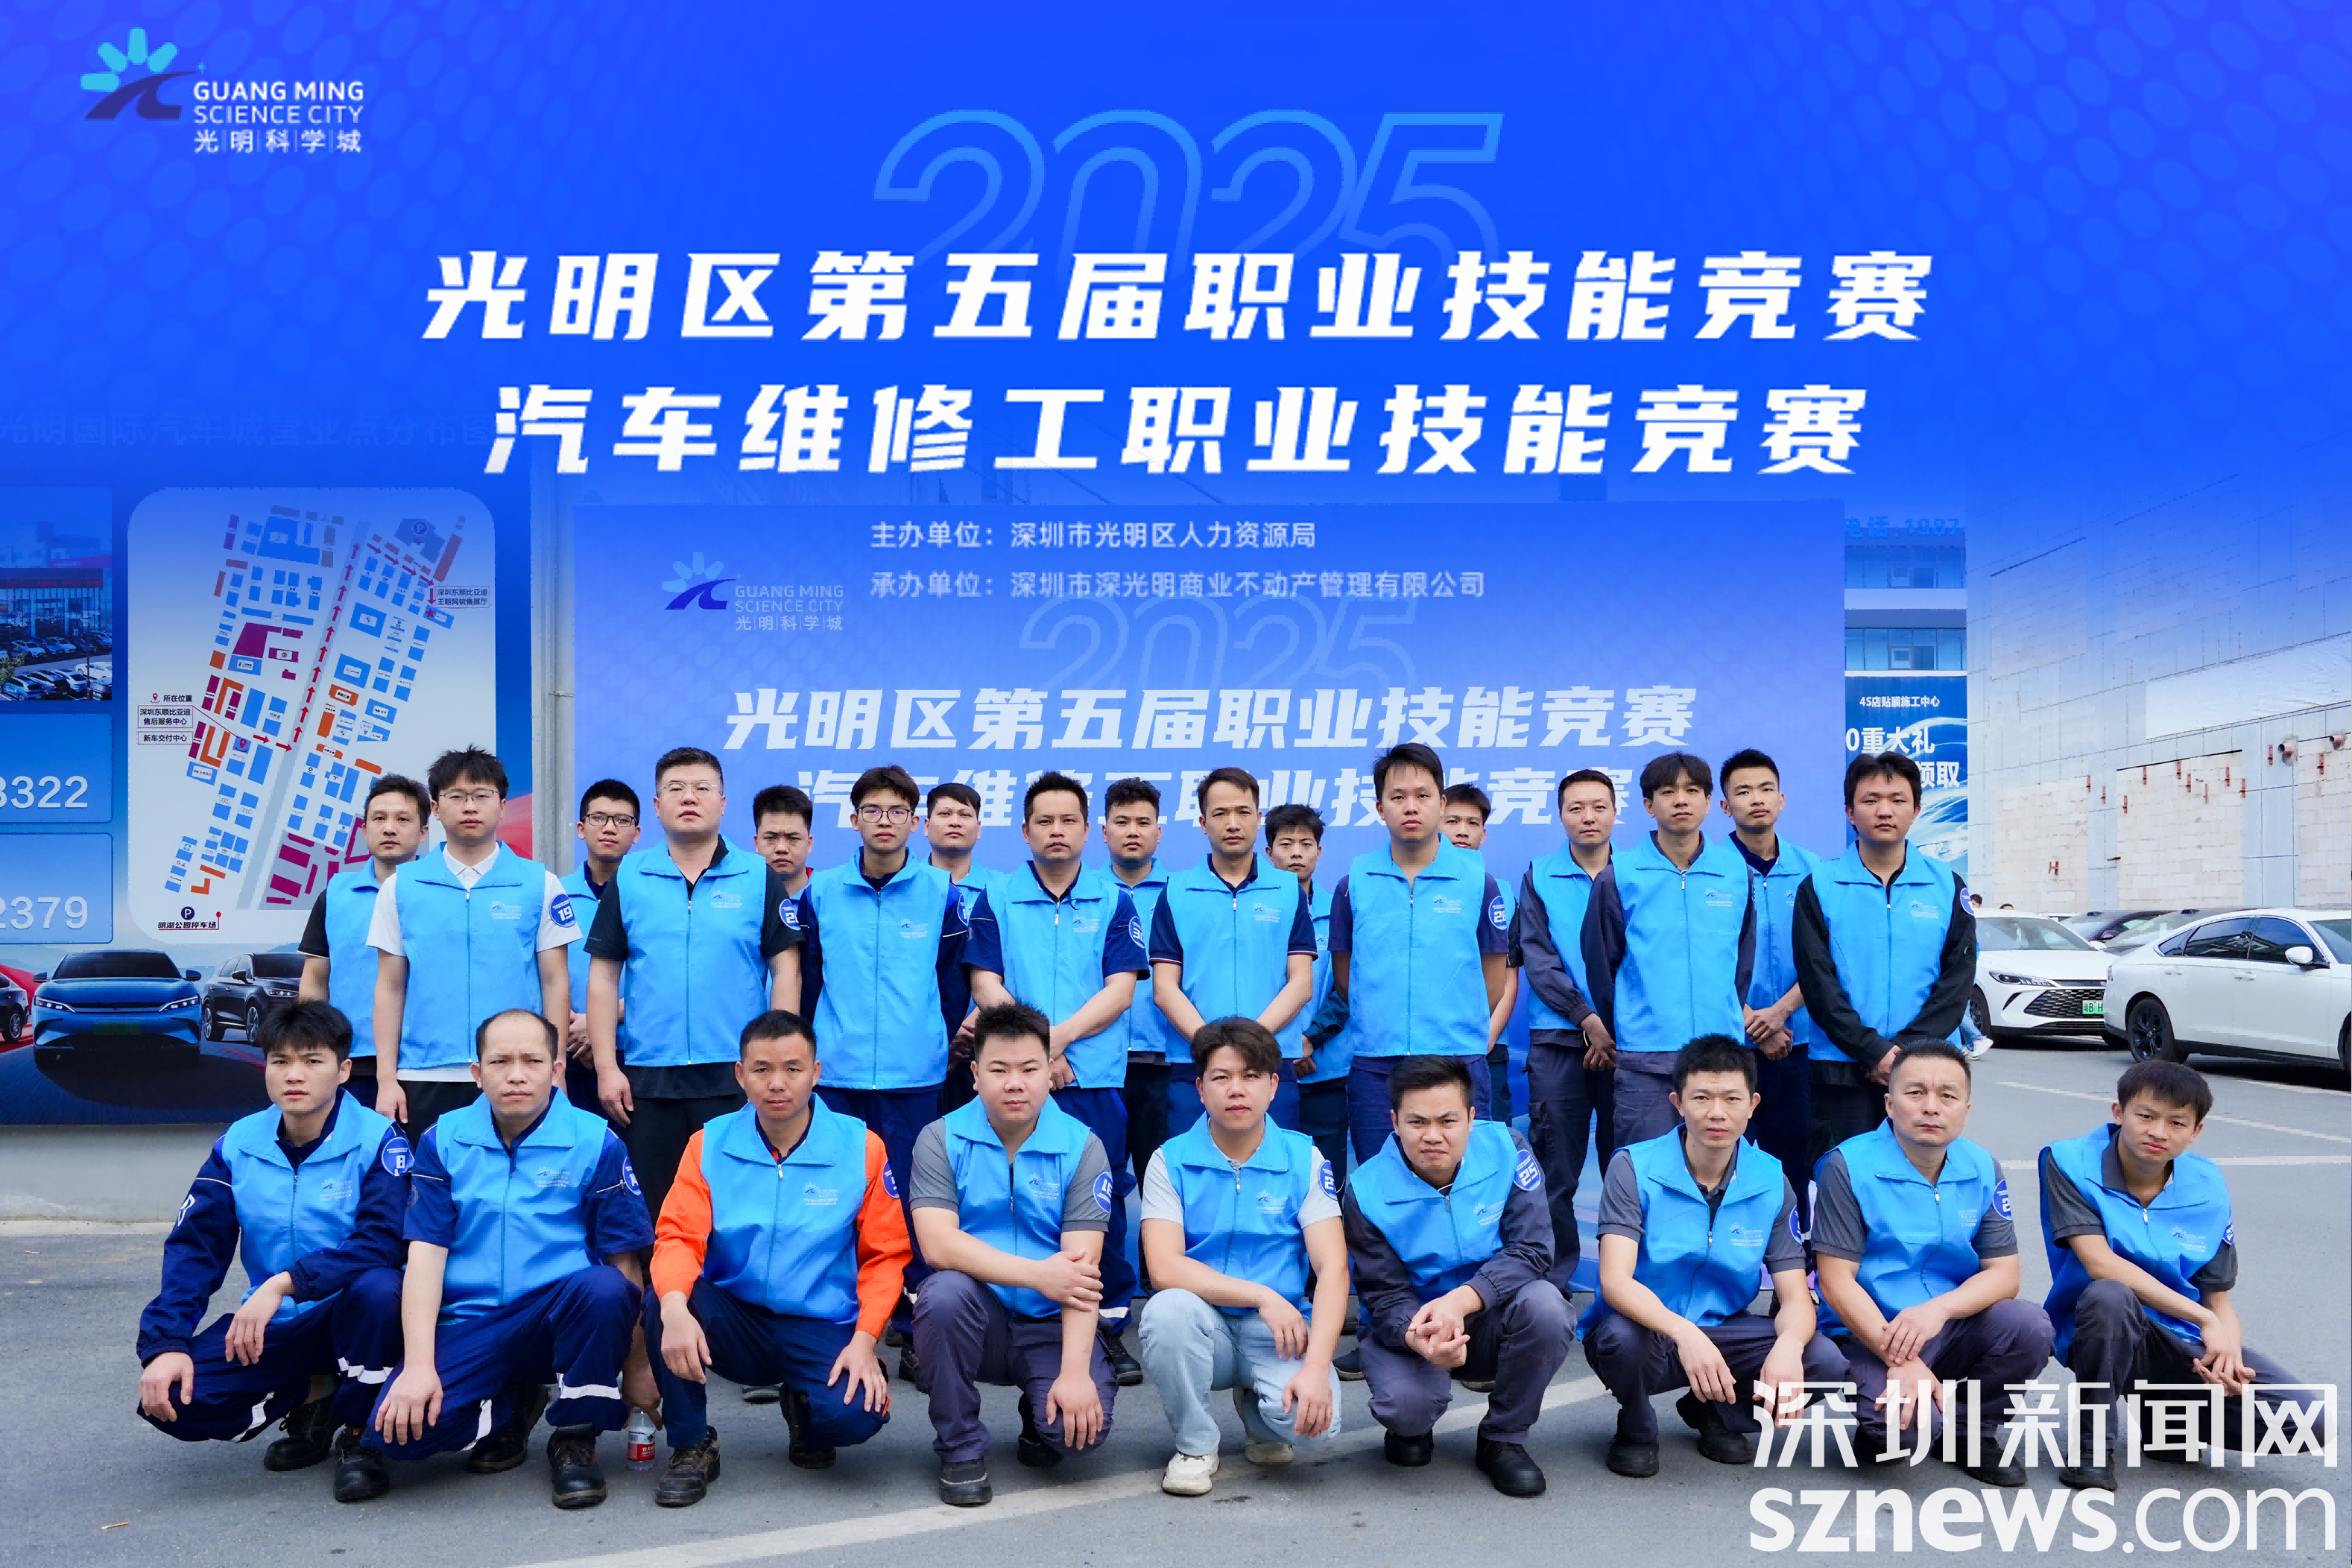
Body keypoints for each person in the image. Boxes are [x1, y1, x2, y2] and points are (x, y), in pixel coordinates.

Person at [358, 1009, 657, 1508]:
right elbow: (425, 1259)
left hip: (555, 1319)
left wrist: (639, 1367)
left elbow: (625, 1264)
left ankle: (575, 1438)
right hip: (468, 1321)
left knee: (605, 1289)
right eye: (500, 1062)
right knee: (399, 1437)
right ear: (477, 1073)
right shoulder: (442, 1140)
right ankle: (508, 1407)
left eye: (531, 1061)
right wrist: (419, 1367)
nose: (516, 1075)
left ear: (556, 1069)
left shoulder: (595, 1140)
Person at [135, 1002, 407, 1490]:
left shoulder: (378, 1140)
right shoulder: (239, 1144)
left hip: (358, 1317)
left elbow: (383, 1242)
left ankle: (362, 1434)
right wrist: (167, 1342)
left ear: (344, 1070)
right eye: (280, 1061)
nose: (294, 1075)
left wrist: (285, 1283)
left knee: (380, 1289)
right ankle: (316, 1394)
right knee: (171, 1400)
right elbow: (195, 1249)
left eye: (312, 1060)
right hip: (276, 1325)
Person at [643, 1010, 910, 1505]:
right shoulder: (709, 1144)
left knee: (854, 1418)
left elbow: (886, 1256)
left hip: (821, 1323)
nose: (777, 1083)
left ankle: (806, 1404)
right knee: (664, 1298)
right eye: (762, 1069)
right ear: (740, 1075)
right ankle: (691, 1443)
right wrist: (675, 1309)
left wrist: (866, 1339)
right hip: (736, 1320)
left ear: (816, 1072)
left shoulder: (861, 1148)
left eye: (793, 1068)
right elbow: (677, 1237)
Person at [2039, 1061, 2317, 1490]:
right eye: (2146, 1116)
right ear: (2118, 1112)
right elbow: (2099, 1263)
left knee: (2307, 1421)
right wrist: (2205, 1320)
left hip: (2179, 1338)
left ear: (2196, 1131)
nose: (2159, 1132)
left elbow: (2217, 1299)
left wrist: (2228, 1359)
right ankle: (2091, 1450)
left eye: (2176, 1122)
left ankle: (2168, 1419)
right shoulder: (2069, 1162)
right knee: (2110, 1295)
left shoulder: (2207, 1184)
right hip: (2098, 1326)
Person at [1581, 1035, 1842, 1477]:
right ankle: (1636, 1424)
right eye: (1701, 1098)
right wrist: (1683, 1332)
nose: (1717, 1112)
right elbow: (1615, 1281)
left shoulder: (1770, 1179)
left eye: (1731, 1099)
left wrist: (1788, 1346)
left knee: (1823, 1361)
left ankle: (1719, 1412)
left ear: (1753, 1105)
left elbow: (1796, 1296)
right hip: (1647, 1328)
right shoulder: (1634, 1168)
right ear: (1678, 1103)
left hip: (1724, 1329)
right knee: (1620, 1340)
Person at [965, 771, 1150, 1382]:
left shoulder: (1113, 900)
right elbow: (985, 984)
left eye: (1068, 820)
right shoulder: (997, 897)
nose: (1056, 831)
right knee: (1012, 1195)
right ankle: (1010, 1320)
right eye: (1044, 821)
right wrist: (1037, 1057)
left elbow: (1120, 990)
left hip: (1090, 1078)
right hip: (1014, 1079)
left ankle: (1105, 1325)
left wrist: (1055, 1043)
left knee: (1099, 1200)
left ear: (1087, 830)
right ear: (1025, 830)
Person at [1812, 1042, 2053, 1485]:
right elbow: (1834, 1281)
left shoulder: (1982, 1167)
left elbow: (2005, 1275)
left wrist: (1937, 1310)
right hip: (1869, 1330)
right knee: (1905, 1435)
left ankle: (1970, 1431)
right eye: (1915, 1092)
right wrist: (1900, 1356)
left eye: (1947, 1095)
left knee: (2029, 1325)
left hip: (1945, 1324)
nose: (1931, 1107)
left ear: (1966, 1109)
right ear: (1889, 1104)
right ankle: (1886, 1420)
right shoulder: (1847, 1166)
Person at [908, 1002, 1119, 1507]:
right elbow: (937, 1245)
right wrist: (1036, 1275)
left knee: (1078, 1436)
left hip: (1051, 1322)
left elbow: (1081, 1274)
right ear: (976, 1075)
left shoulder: (1083, 1147)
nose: (1015, 1084)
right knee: (941, 1295)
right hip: (977, 1319)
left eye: (1029, 1069)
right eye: (999, 1070)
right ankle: (960, 1447)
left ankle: (1039, 1409)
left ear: (1050, 1072)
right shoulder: (940, 1139)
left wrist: (1074, 1374)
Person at [798, 765, 970, 1376]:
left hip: (914, 1078)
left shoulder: (942, 892)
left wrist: (935, 1041)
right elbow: (807, 982)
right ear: (854, 819)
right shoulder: (821, 893)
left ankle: (915, 1331)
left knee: (915, 1207)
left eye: (898, 811)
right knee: (836, 1203)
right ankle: (835, 1330)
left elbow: (952, 984)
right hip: (837, 1077)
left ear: (915, 822)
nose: (885, 821)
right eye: (872, 810)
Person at [585, 747, 801, 1222]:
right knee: (655, 1216)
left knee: (734, 1213)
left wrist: (776, 1064)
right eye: (676, 789)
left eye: (702, 788)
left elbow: (786, 969)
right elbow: (603, 975)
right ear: (657, 805)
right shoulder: (631, 876)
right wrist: (606, 1068)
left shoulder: (757, 876)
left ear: (722, 803)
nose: (689, 798)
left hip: (736, 1076)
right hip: (647, 1079)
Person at [1137, 1017, 1346, 1496]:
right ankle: (1195, 1446)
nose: (1236, 1090)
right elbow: (1164, 1268)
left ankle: (1260, 1412)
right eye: (1221, 1077)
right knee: (1167, 1311)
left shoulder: (1304, 1158)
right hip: (1204, 1322)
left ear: (1273, 1087)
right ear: (1200, 1089)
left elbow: (1333, 1268)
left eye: (1251, 1076)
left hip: (1279, 1332)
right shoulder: (1169, 1160)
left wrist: (1317, 1368)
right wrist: (1261, 1295)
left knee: (1314, 1427)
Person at [1344, 1055, 1569, 1497]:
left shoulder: (1508, 1148)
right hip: (1413, 1326)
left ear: (1471, 1117)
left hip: (1490, 1317)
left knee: (1547, 1308)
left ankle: (1504, 1437)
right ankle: (1413, 1423)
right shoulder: (1365, 1189)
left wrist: (1461, 1301)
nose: (1433, 1135)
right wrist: (1420, 1337)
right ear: (1394, 1121)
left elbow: (1533, 1248)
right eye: (1417, 1122)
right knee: (1407, 1410)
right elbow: (1383, 1295)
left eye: (1448, 1121)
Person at [368, 747, 581, 1139]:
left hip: (517, 1073)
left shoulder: (540, 884)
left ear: (502, 806)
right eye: (457, 796)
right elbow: (389, 986)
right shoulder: (401, 887)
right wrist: (386, 1079)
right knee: (429, 1176)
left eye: (482, 795)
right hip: (423, 1073)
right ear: (436, 808)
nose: (470, 806)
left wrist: (557, 1071)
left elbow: (555, 982)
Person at [1329, 744, 1511, 1163]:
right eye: (1398, 797)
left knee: (1464, 1178)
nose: (1410, 806)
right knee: (1381, 1178)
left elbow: (1493, 981)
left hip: (1457, 1061)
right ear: (1380, 808)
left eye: (1423, 795)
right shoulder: (1353, 883)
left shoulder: (1479, 882)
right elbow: (1345, 977)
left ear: (1441, 804)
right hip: (1378, 1064)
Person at [1793, 752, 1976, 1168]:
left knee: (1922, 1178)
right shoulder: (1819, 886)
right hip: (1841, 1067)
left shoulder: (1947, 886)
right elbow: (1818, 983)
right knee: (1841, 1179)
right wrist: (1871, 1050)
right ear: (1849, 812)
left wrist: (1907, 1055)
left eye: (1897, 800)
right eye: (1871, 800)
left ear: (1916, 809)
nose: (1884, 810)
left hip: (1928, 1072)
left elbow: (1957, 980)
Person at [1590, 752, 1756, 1148]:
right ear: (1649, 805)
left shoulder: (1735, 873)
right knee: (1644, 1167)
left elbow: (1742, 963)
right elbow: (1601, 967)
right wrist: (1632, 1022)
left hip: (1720, 1058)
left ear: (1709, 802)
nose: (1681, 800)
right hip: (1646, 1059)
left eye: (1692, 791)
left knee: (1718, 1168)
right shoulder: (1620, 876)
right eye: (1668, 792)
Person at [1148, 768, 1317, 1136]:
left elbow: (1301, 983)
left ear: (1259, 818)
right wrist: (1213, 1048)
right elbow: (1164, 988)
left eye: (1243, 812)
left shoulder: (1288, 891)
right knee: (1192, 1166)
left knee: (1273, 1165)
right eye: (1220, 813)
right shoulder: (1176, 892)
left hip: (1271, 1062)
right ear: (1203, 823)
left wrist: (1251, 1043)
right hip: (1195, 1065)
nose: (1233, 823)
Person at [1514, 768, 1620, 1292]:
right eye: (1576, 808)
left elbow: (1648, 957)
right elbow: (1539, 959)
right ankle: (1552, 1286)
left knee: (1629, 1168)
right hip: (1559, 1040)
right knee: (1555, 1169)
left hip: (1628, 1044)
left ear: (1616, 812)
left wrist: (1611, 1027)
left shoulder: (1638, 873)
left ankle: (1629, 1282)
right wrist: (1587, 1019)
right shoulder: (1540, 875)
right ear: (1560, 815)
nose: (1588, 817)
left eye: (1599, 806)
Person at [1716, 749, 1820, 1192]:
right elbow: (1699, 960)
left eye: (1765, 789)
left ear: (1782, 799)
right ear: (1725, 806)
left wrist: (1780, 1013)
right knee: (1722, 1164)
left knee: (1795, 1164)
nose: (1756, 799)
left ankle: (1795, 1239)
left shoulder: (1812, 870)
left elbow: (1826, 957)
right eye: (1743, 792)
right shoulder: (1710, 870)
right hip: (1727, 1042)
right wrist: (1752, 1022)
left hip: (1798, 1042)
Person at [297, 774, 429, 1110]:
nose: (389, 829)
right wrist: (313, 1046)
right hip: (351, 1060)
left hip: (424, 1061)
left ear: (424, 832)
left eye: (403, 820)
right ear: (364, 828)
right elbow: (315, 978)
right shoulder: (335, 894)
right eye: (379, 818)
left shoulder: (443, 894)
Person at [1101, 777, 1175, 1280]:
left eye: (1143, 823)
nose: (1133, 832)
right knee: (1097, 1180)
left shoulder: (1182, 892)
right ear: (1104, 830)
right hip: (1094, 1064)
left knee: (1162, 1181)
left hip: (1163, 1061)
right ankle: (1104, 1284)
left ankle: (1163, 1279)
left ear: (1159, 832)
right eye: (1122, 822)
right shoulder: (1085, 892)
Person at [1265, 803, 1350, 1183]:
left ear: (1319, 851)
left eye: (1306, 844)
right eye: (1286, 844)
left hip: (1326, 1068)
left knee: (1326, 1179)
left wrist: (1310, 1039)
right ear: (1269, 853)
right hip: (1266, 1067)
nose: (1296, 853)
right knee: (1271, 1175)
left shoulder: (1341, 910)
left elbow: (1348, 986)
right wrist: (1282, 1044)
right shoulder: (1253, 910)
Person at [559, 778, 642, 1116]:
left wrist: (598, 1024)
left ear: (637, 833)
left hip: (633, 1053)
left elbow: (665, 978)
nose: (609, 828)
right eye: (599, 818)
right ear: (581, 828)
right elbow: (541, 974)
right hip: (568, 1052)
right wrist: (573, 1027)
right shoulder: (553, 894)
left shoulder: (651, 896)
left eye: (622, 820)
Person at [1441, 783, 1520, 1122]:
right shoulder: (1412, 885)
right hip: (1429, 1042)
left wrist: (1485, 1036)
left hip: (1487, 1045)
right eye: (1452, 821)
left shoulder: (1501, 894)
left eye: (1472, 823)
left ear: (1483, 834)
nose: (1462, 831)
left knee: (1490, 1138)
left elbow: (1509, 976)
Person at [926, 779, 1004, 1110]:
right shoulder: (906, 888)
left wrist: (972, 1024)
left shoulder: (1003, 891)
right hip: (919, 1042)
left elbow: (1014, 964)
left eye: (964, 814)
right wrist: (943, 1029)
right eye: (945, 814)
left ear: (979, 828)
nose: (955, 822)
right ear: (925, 826)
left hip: (990, 1041)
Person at [751, 783, 818, 897]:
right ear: (756, 843)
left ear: (809, 843)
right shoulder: (739, 897)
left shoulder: (830, 894)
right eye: (771, 838)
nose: (781, 848)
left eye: (793, 838)